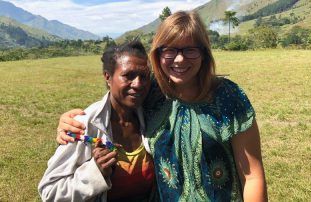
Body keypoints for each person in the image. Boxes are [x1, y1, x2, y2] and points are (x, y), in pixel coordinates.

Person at [56, 11, 268, 201]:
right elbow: (117, 98)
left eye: (190, 50)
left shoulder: (228, 97)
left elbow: (253, 176)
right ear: (158, 54)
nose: (179, 59)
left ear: (204, 53)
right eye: (170, 50)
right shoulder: (152, 93)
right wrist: (70, 122)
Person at [38, 41, 159, 202]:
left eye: (143, 76)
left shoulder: (152, 116)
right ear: (108, 77)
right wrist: (95, 172)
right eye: (128, 75)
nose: (138, 84)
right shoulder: (84, 126)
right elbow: (49, 191)